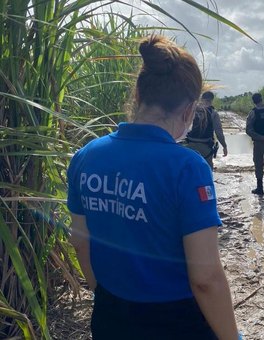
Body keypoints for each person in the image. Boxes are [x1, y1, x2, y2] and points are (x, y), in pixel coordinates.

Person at [67, 35, 239, 340]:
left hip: (110, 317)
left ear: (138, 97)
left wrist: (106, 296)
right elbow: (205, 278)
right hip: (176, 323)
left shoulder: (86, 156)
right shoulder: (188, 168)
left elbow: (80, 241)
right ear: (188, 111)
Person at [186, 91, 228, 169]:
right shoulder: (213, 113)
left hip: (191, 145)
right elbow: (219, 132)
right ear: (212, 100)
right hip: (206, 146)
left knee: (191, 171)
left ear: (202, 99)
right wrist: (224, 146)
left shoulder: (193, 110)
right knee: (207, 172)